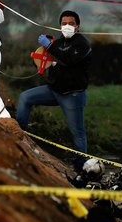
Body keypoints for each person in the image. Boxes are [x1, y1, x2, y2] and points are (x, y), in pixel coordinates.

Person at [16, 10, 92, 170]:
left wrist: (49, 46)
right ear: (60, 26)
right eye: (64, 23)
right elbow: (45, 61)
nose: (67, 26)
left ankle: (81, 168)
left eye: (71, 23)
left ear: (77, 26)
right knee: (25, 98)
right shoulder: (58, 43)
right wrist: (39, 59)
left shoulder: (82, 44)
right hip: (54, 90)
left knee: (77, 133)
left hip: (72, 95)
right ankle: (18, 135)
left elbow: (68, 59)